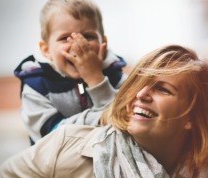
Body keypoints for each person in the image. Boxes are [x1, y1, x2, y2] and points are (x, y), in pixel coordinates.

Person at [0, 45, 208, 178]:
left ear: (192, 119)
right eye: (139, 82)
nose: (140, 93)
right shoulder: (70, 149)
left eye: (162, 89)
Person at [14, 0, 126, 145]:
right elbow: (52, 137)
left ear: (103, 42)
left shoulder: (117, 76)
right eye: (65, 38)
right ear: (46, 49)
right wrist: (100, 118)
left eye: (88, 36)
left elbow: (123, 121)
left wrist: (96, 79)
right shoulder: (36, 86)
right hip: (55, 163)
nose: (78, 45)